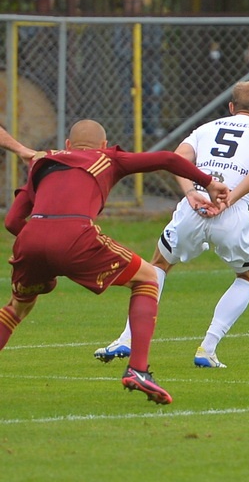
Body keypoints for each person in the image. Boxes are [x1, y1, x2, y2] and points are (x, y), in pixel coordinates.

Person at [0, 120, 228, 404]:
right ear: (105, 145)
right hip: (75, 234)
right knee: (148, 278)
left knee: (17, 308)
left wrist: (45, 252)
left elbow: (11, 221)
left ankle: (138, 370)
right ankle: (138, 370)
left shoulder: (43, 161)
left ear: (68, 145)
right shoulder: (108, 158)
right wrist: (209, 182)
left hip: (31, 236)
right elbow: (169, 159)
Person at [94, 81, 249, 368]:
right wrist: (230, 198)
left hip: (192, 211)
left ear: (231, 107)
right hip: (230, 214)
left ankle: (126, 338)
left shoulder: (206, 129)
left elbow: (178, 158)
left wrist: (191, 192)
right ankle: (207, 347)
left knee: (157, 266)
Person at [115, 0, 164, 139]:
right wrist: (133, 52)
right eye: (128, 3)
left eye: (135, 2)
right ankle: (130, 129)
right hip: (127, 69)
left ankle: (151, 128)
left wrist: (140, 48)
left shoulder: (150, 23)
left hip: (149, 69)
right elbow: (118, 47)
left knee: (152, 95)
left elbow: (156, 44)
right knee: (127, 98)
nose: (132, 6)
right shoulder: (120, 24)